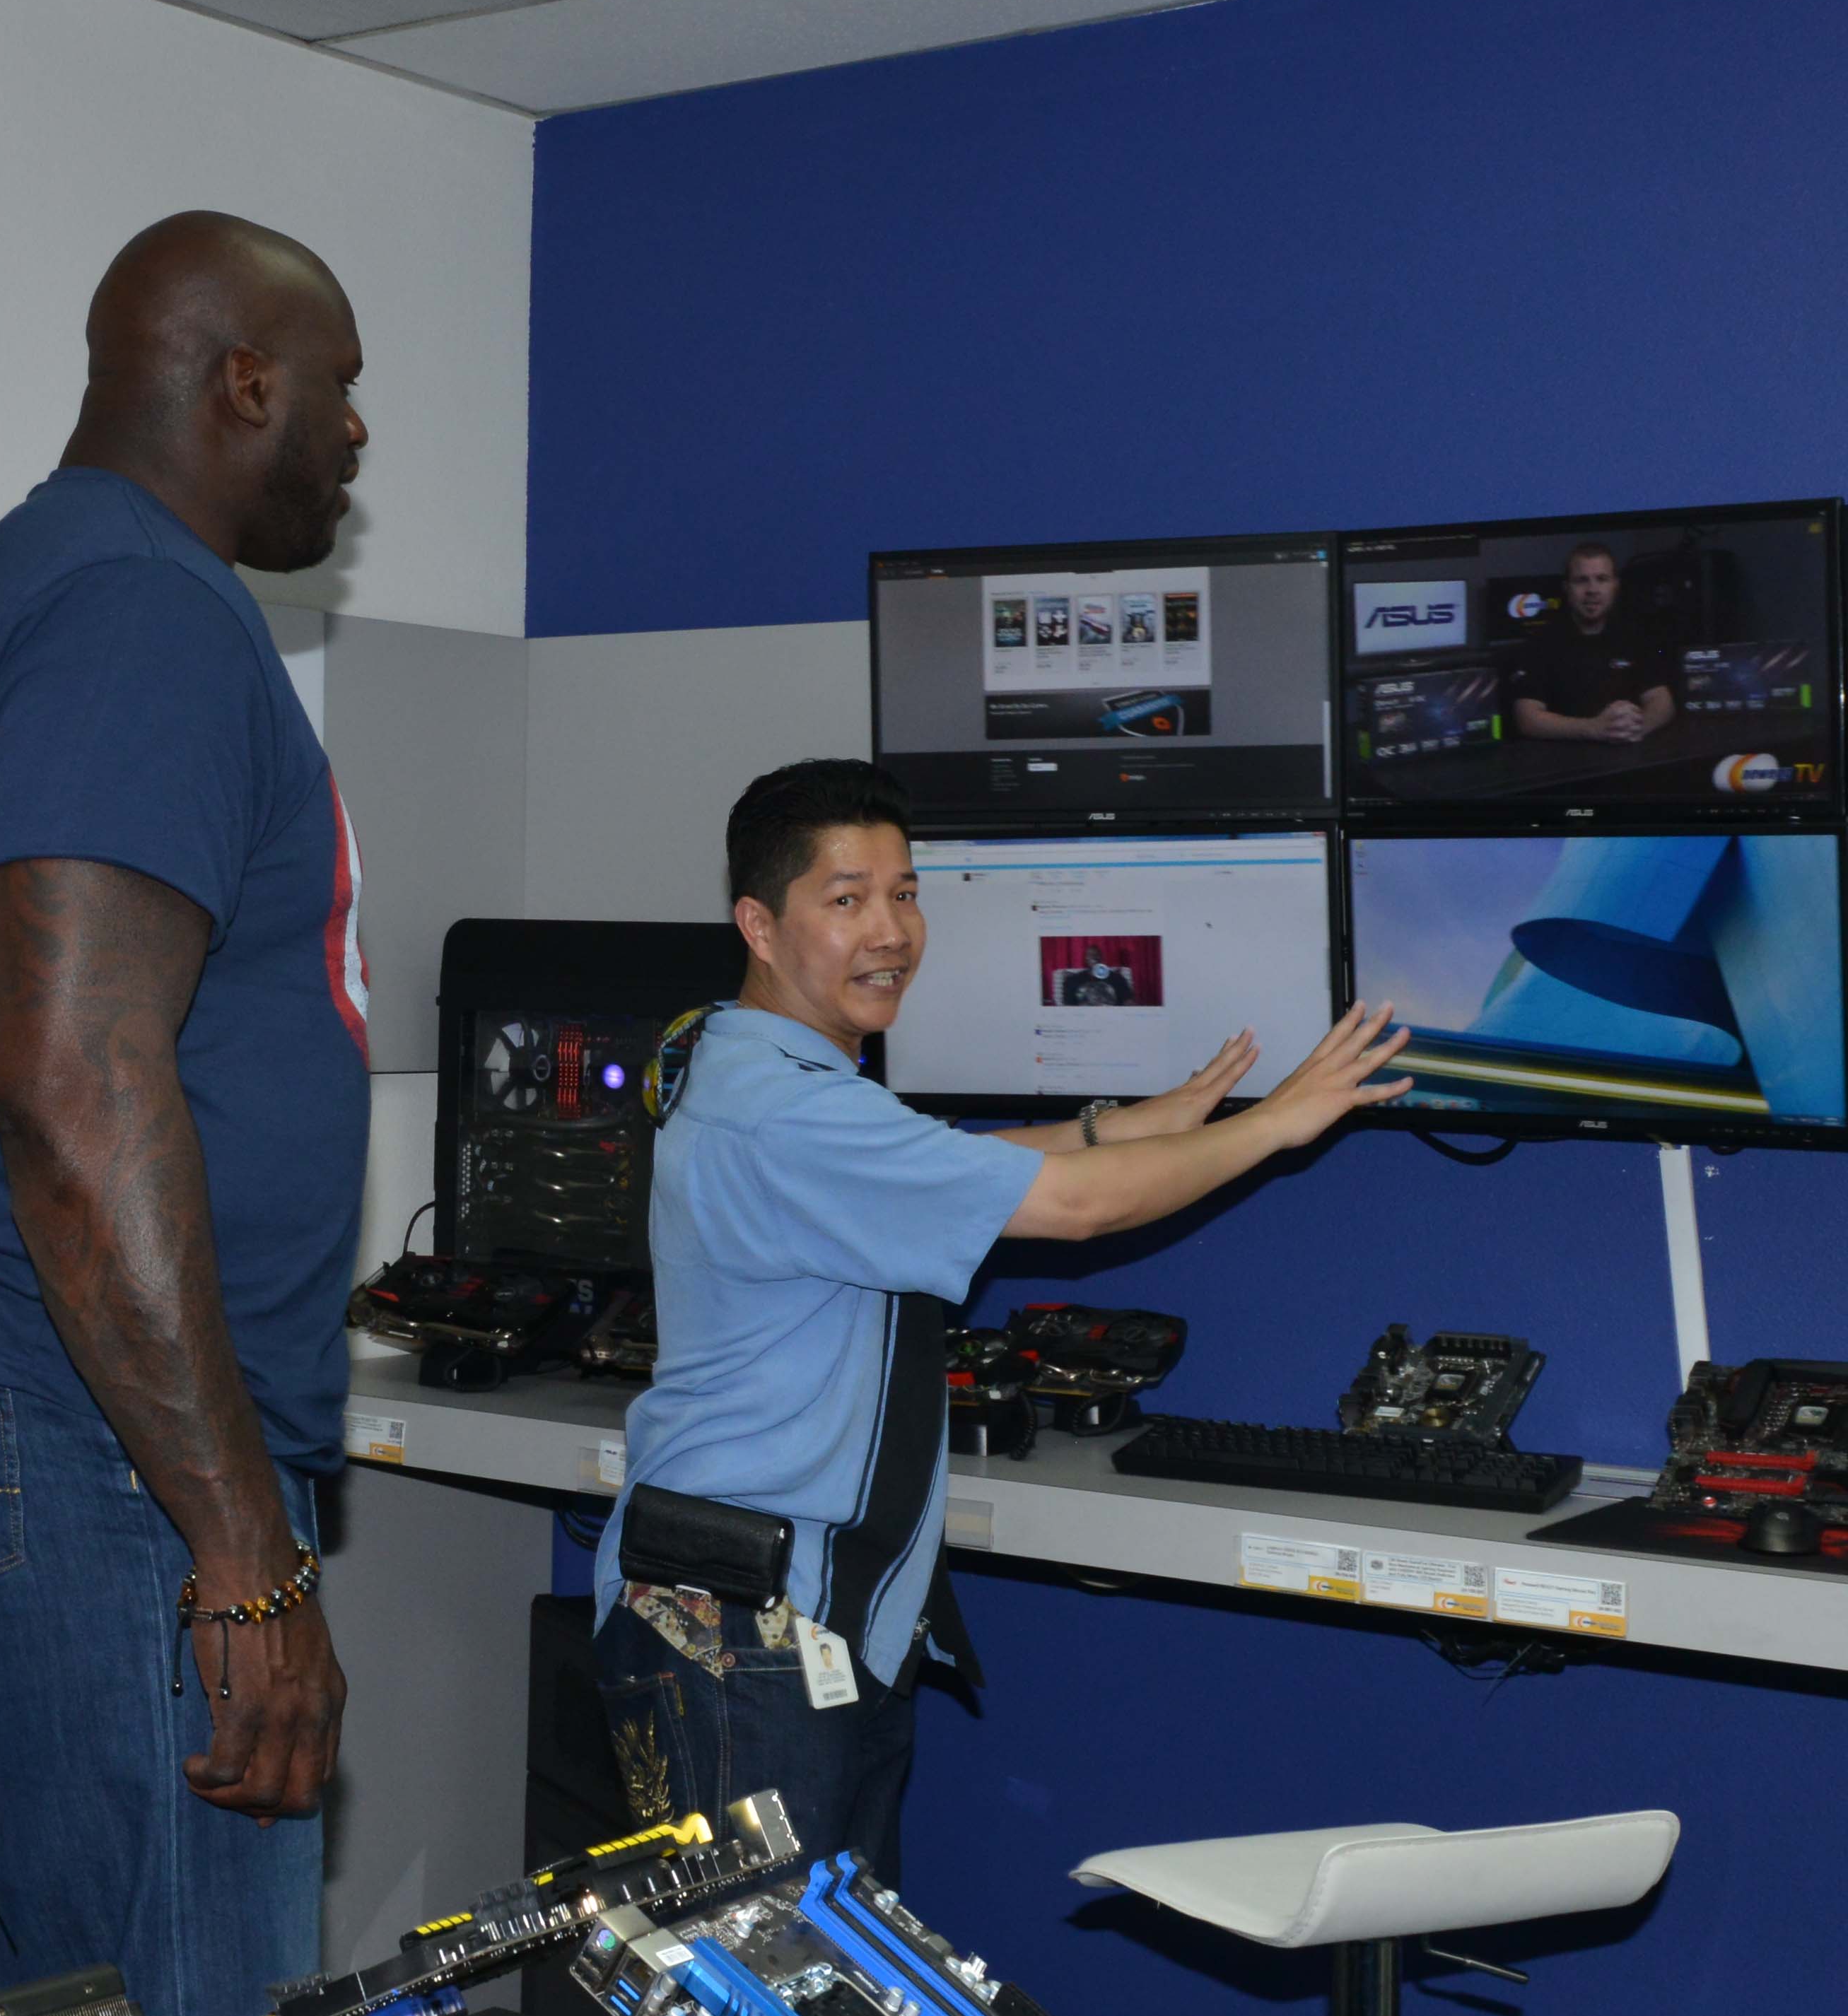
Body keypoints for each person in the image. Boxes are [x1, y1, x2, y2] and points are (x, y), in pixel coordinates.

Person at [0, 211, 370, 2016]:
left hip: (11, 1416)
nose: (357, 436)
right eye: (340, 391)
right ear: (245, 384)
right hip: (89, 1446)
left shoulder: (32, 580)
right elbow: (72, 1085)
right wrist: (245, 1557)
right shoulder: (147, 614)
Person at [599, 760, 1410, 1870]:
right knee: (766, 1969)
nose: (890, 931)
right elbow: (1073, 1210)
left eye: (905, 893)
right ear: (760, 925)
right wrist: (1274, 1125)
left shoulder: (763, 1067)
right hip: (742, 1627)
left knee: (828, 1959)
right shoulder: (783, 1111)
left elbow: (949, 1166)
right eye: (847, 900)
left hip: (787, 1610)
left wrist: (1134, 1125)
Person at [1509, 540, 1675, 747]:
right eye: (1582, 580)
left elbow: (1662, 702)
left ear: (1615, 586)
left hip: (1628, 753)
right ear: (1567, 588)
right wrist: (1594, 729)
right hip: (1565, 761)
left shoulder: (1635, 637)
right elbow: (1527, 719)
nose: (1592, 590)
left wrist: (1637, 728)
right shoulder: (1539, 644)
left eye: (1602, 579)